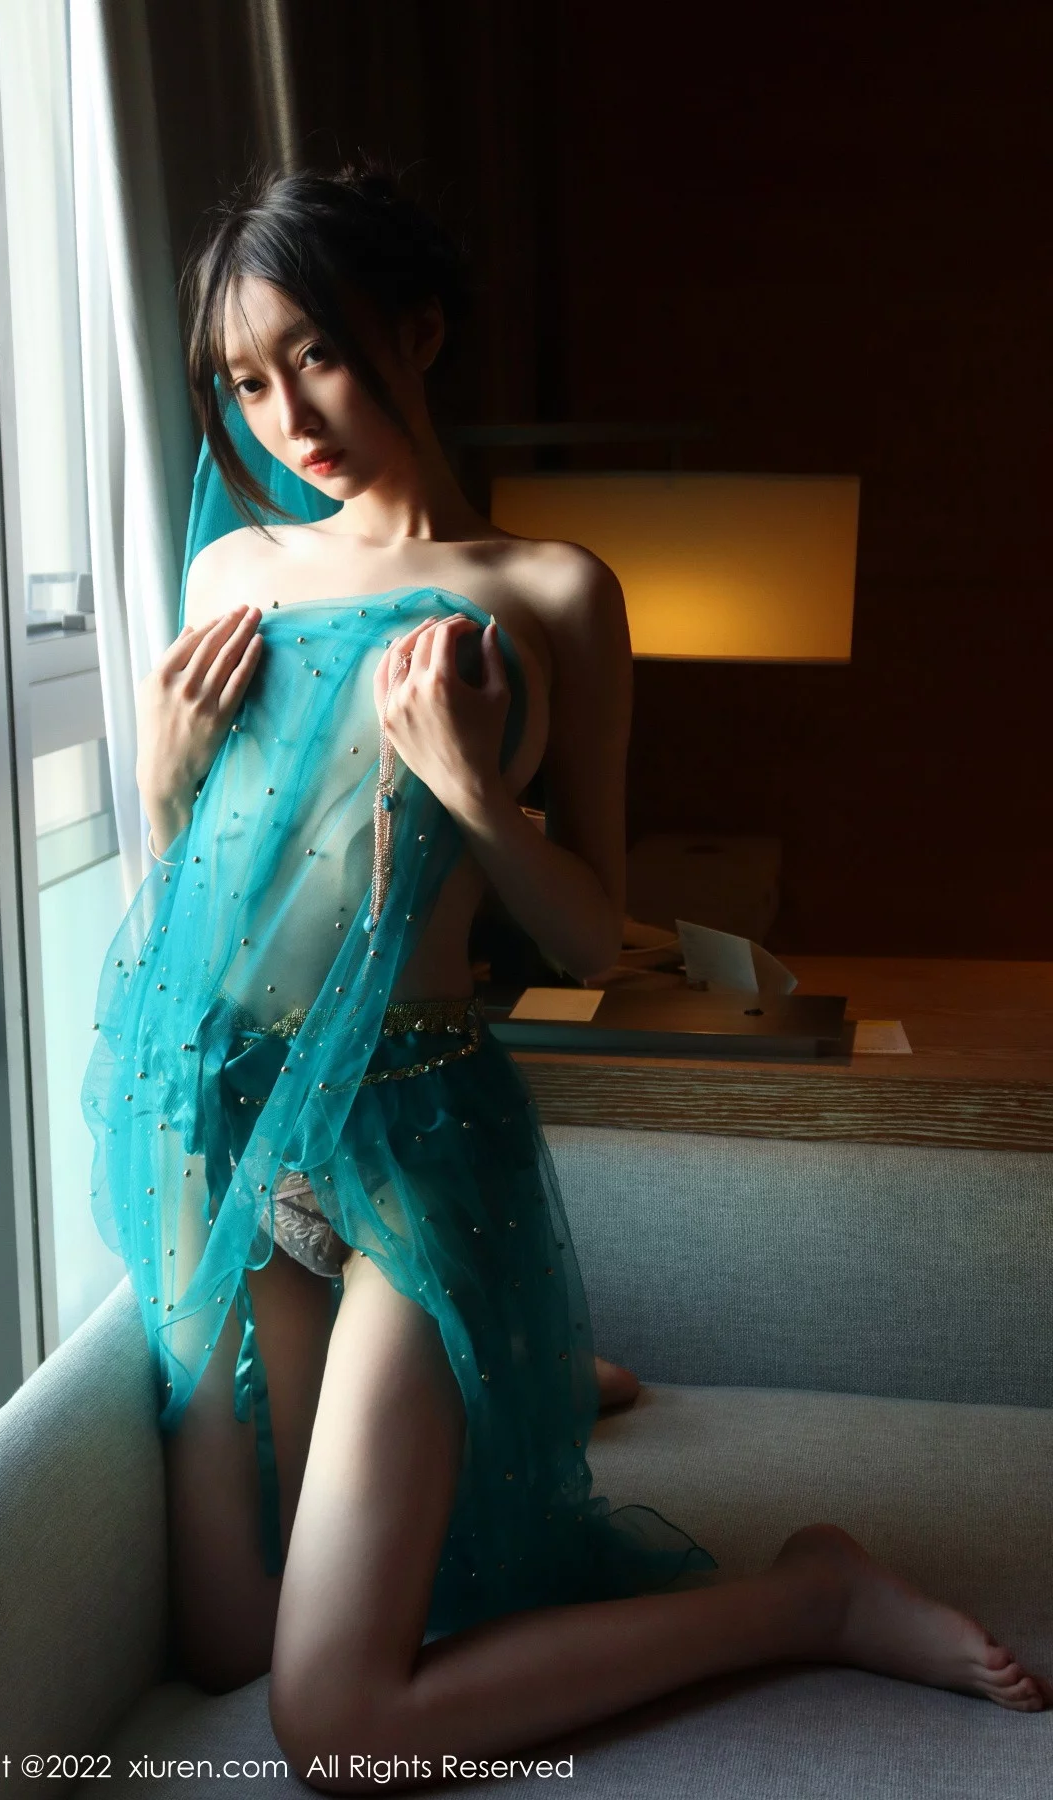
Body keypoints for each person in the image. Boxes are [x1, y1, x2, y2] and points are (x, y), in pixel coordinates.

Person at [83, 164, 1048, 1789]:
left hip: (413, 1141)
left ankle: (808, 1599)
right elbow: (196, 901)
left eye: (317, 355)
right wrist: (164, 785)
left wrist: (475, 798)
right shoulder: (228, 573)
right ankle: (513, 1391)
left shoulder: (550, 592)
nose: (287, 417)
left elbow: (597, 937)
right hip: (238, 1139)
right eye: (245, 382)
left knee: (339, 1729)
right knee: (223, 1642)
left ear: (418, 332)